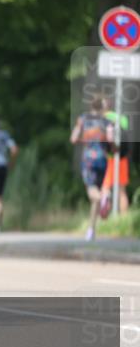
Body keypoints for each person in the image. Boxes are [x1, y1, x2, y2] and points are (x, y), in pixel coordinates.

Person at [70, 97, 110, 241]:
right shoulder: (106, 122)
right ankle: (91, 230)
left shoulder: (83, 119)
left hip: (89, 160)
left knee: (93, 193)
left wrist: (84, 139)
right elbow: (112, 141)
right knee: (96, 201)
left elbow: (73, 138)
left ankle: (103, 197)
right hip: (103, 160)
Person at [100, 99, 131, 216]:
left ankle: (105, 214)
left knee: (105, 187)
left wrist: (108, 150)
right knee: (122, 190)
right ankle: (124, 219)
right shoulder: (122, 118)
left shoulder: (103, 119)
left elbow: (106, 136)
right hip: (123, 157)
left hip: (112, 156)